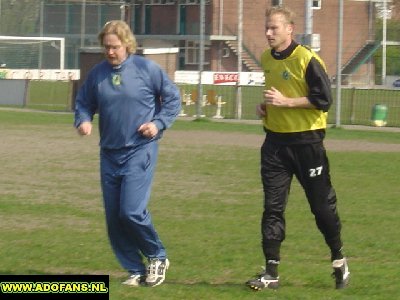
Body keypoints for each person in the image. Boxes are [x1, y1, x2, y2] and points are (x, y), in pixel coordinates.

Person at [246, 6, 349, 291]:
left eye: (273, 28)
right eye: (266, 28)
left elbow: (323, 99)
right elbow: (278, 95)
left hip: (307, 145)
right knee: (272, 208)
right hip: (275, 145)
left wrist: (286, 103)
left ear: (290, 29)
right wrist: (266, 107)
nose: (268, 33)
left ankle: (338, 259)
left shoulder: (307, 59)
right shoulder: (267, 58)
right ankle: (271, 272)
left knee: (320, 207)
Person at [74, 20, 181, 287]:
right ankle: (134, 268)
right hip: (109, 153)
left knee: (131, 211)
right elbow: (84, 103)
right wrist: (83, 120)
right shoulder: (97, 74)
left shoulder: (147, 69)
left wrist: (157, 124)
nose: (110, 52)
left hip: (139, 150)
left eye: (115, 47)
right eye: (106, 47)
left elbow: (172, 99)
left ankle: (157, 256)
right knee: (114, 217)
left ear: (127, 44)